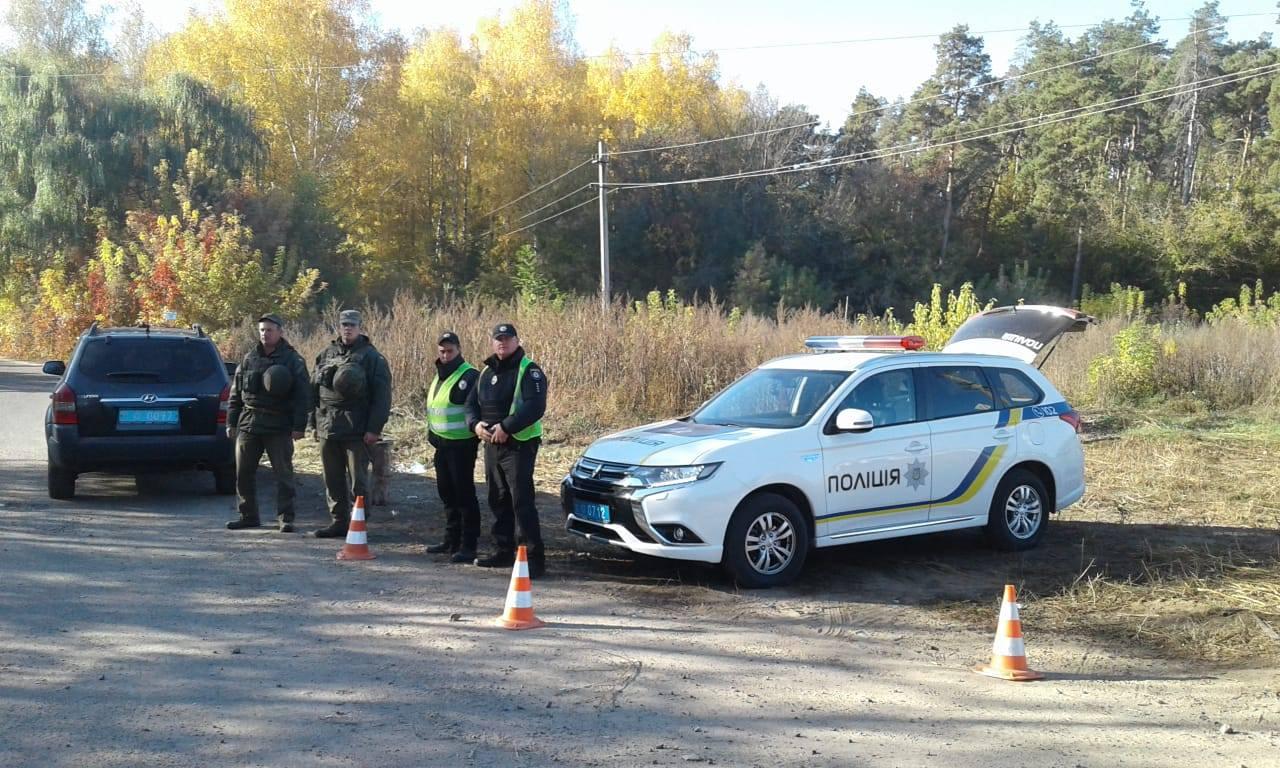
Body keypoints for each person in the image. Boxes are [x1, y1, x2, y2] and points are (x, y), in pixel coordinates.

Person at [464, 323, 548, 578]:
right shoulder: (486, 372)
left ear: (516, 341)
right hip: (491, 444)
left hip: (518, 445)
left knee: (521, 501)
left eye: (507, 339)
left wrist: (507, 427)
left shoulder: (529, 370)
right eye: (498, 339)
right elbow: (470, 405)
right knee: (497, 498)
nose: (503, 343)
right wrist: (475, 425)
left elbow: (535, 406)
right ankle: (503, 551)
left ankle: (532, 559)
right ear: (492, 342)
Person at [310, 309, 392, 538]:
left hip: (356, 428)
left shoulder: (372, 357)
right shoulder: (325, 354)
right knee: (332, 479)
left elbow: (382, 396)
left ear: (360, 327)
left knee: (358, 482)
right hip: (328, 425)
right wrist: (313, 424)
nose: (348, 328)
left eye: (352, 325)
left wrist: (374, 428)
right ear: (339, 326)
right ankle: (338, 521)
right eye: (344, 324)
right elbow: (314, 389)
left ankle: (359, 525)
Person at [225, 314, 311, 532]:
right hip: (250, 422)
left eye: (270, 330)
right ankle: (248, 515)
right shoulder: (249, 358)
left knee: (283, 474)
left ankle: (286, 518)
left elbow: (303, 395)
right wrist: (231, 422)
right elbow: (236, 393)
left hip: (278, 423)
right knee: (243, 472)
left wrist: (299, 426)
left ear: (280, 332)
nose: (265, 334)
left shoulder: (292, 360)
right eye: (262, 330)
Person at [424, 332, 482, 562]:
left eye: (450, 351)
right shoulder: (441, 374)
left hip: (461, 445)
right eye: (442, 351)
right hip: (442, 444)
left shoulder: (469, 375)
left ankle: (469, 545)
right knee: (447, 494)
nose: (446, 355)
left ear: (459, 349)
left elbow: (475, 411)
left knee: (464, 495)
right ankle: (451, 540)